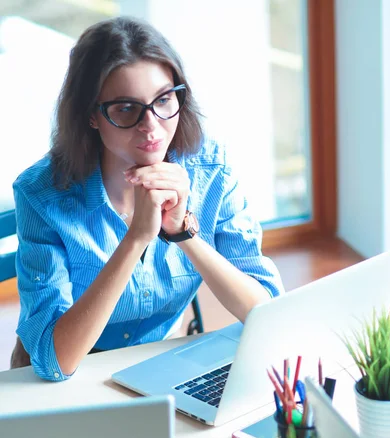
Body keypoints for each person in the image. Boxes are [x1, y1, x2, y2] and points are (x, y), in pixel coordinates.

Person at [12, 16, 283, 381]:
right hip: (76, 370)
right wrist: (137, 237)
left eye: (164, 99)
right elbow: (54, 362)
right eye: (126, 109)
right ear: (92, 116)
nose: (152, 126)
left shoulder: (211, 169)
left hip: (164, 361)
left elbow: (268, 311)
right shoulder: (42, 195)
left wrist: (183, 233)